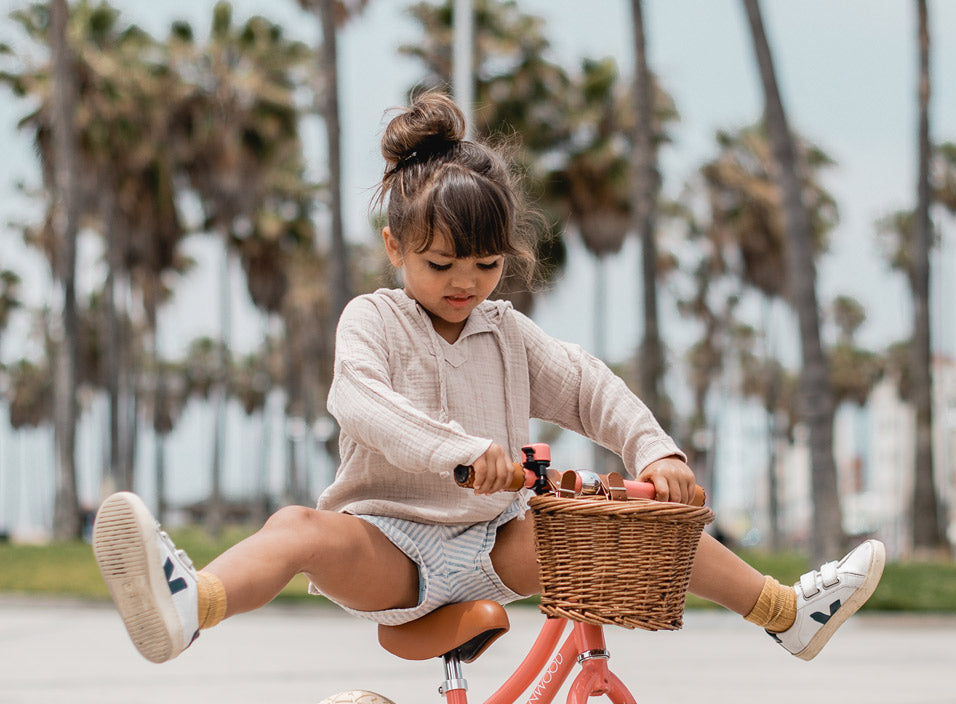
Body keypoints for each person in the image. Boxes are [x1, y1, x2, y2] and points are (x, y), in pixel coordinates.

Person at [92, 91, 884, 666]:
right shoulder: (372, 320)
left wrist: (656, 452)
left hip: (495, 544)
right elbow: (363, 403)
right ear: (394, 247)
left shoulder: (506, 333)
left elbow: (589, 388)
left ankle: (787, 614)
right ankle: (190, 605)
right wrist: (462, 453)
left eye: (486, 264)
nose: (465, 283)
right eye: (441, 265)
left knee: (635, 520)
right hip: (390, 544)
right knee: (296, 527)